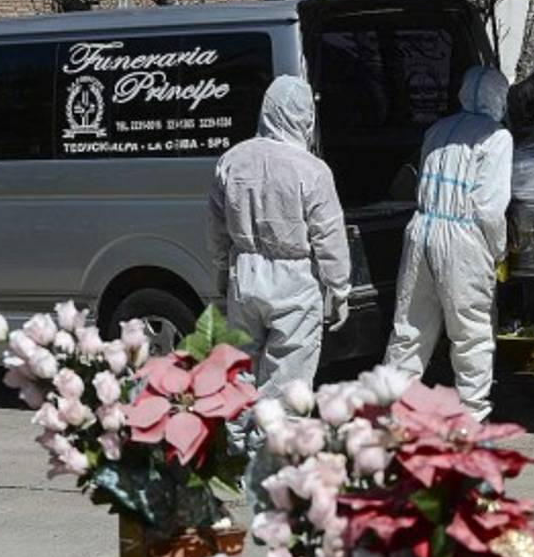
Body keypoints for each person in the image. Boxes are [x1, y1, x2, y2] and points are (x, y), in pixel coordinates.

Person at [384, 66, 513, 421]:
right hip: (463, 237)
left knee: (410, 327)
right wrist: (498, 250)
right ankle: (472, 415)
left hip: (421, 230)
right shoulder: (497, 138)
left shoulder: (438, 129)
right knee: (471, 331)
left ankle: (391, 410)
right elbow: (489, 208)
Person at [209, 76, 351, 397]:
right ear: (306, 117)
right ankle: (271, 431)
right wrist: (339, 289)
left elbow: (217, 228)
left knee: (240, 372)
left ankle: (238, 429)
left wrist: (220, 269)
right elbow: (329, 236)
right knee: (287, 383)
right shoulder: (312, 170)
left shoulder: (231, 160)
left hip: (244, 275)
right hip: (295, 283)